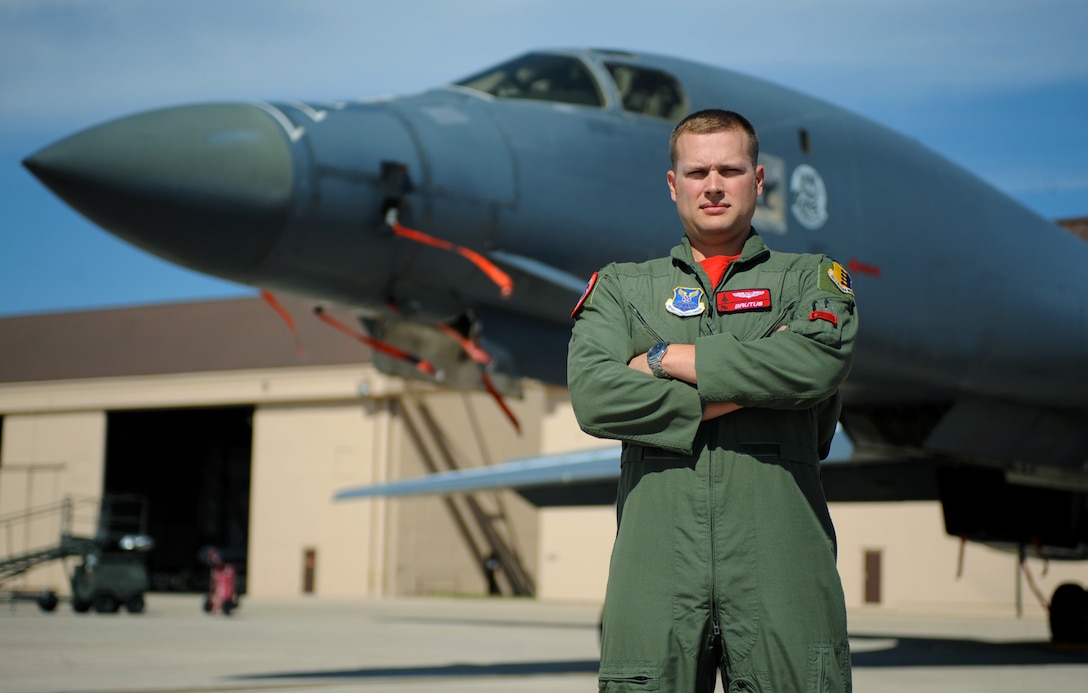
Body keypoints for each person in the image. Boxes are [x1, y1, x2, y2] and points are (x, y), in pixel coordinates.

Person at [568, 109, 856, 692]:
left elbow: (814, 364)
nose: (714, 185)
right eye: (697, 172)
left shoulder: (810, 280)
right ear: (674, 184)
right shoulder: (623, 287)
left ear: (759, 179)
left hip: (784, 569)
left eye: (731, 169)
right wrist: (752, 385)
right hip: (656, 571)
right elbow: (595, 396)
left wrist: (659, 359)